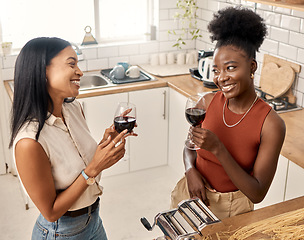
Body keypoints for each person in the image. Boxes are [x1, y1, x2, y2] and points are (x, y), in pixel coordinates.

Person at [9, 37, 136, 239]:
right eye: (71, 64)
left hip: (93, 220)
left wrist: (106, 144)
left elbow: (81, 163)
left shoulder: (73, 108)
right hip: (61, 232)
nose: (80, 71)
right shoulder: (29, 142)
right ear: (43, 71)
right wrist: (93, 168)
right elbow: (50, 212)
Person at [171, 7, 286, 220]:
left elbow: (257, 192)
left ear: (252, 67)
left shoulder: (271, 124)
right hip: (191, 194)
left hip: (232, 210)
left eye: (230, 68)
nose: (221, 77)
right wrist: (190, 171)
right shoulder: (206, 103)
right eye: (216, 70)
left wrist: (218, 149)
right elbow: (189, 147)